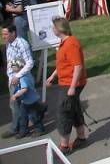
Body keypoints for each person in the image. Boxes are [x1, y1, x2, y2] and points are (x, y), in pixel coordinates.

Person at [45, 17, 88, 155]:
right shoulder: (64, 42)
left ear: (59, 29)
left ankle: (64, 146)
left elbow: (77, 66)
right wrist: (53, 75)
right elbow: (63, 63)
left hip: (70, 83)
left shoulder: (71, 44)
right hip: (67, 82)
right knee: (73, 108)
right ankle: (81, 137)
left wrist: (72, 87)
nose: (52, 29)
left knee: (63, 112)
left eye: (53, 27)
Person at [1, 24, 35, 140]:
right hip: (13, 79)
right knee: (15, 104)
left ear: (13, 33)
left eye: (6, 34)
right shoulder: (9, 43)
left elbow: (30, 62)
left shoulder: (22, 44)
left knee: (24, 104)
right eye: (2, 34)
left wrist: (18, 76)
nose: (3, 37)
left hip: (21, 79)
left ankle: (24, 128)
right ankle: (18, 127)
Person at [8, 57, 45, 138]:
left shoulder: (23, 78)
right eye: (12, 66)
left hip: (30, 101)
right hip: (25, 101)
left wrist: (15, 95)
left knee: (33, 116)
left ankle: (39, 130)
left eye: (14, 67)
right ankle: (23, 131)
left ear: (21, 67)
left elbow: (24, 89)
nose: (12, 68)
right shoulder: (27, 74)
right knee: (22, 116)